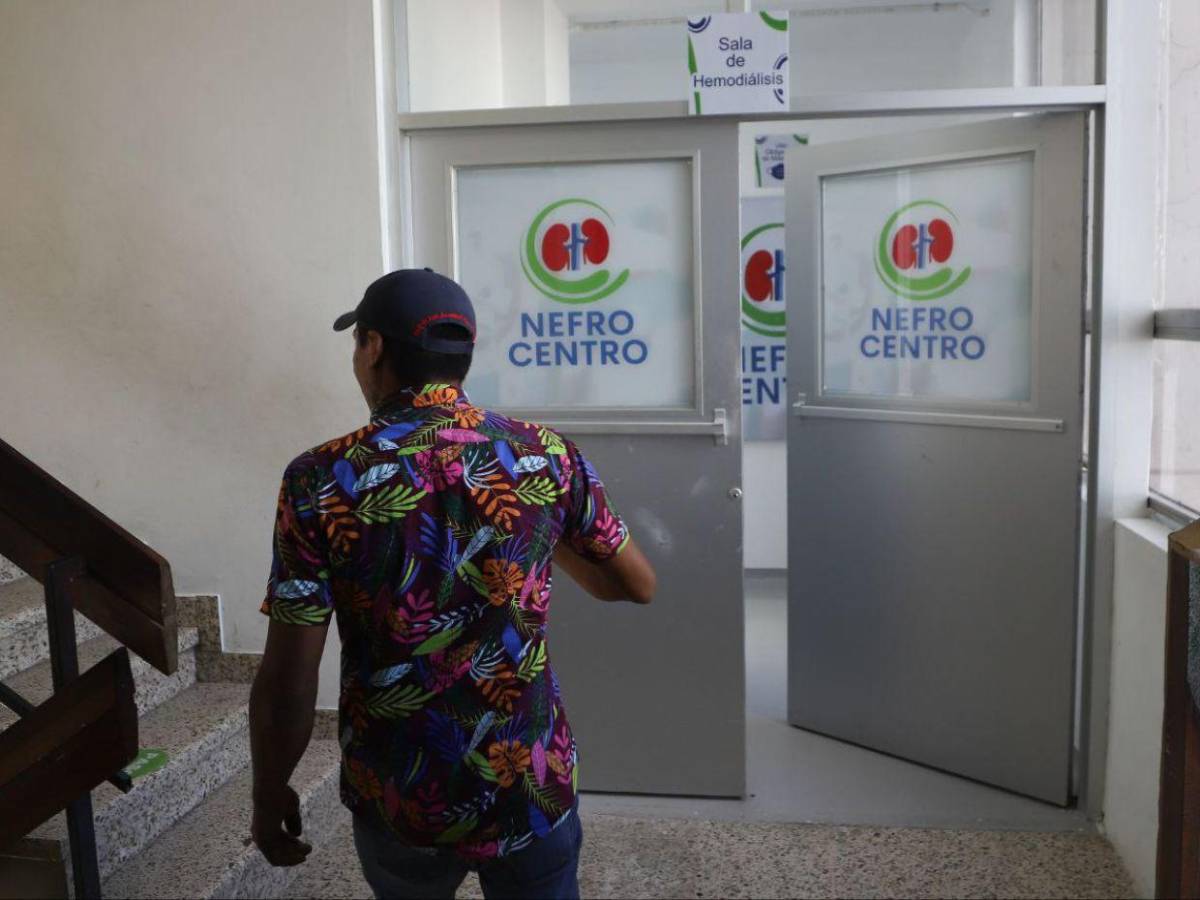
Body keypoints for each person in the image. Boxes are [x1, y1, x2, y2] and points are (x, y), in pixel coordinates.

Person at [248, 268, 657, 900]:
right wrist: (538, 541)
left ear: (375, 347)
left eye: (357, 344)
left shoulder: (320, 479)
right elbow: (636, 584)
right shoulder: (545, 456)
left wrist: (269, 788)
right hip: (528, 781)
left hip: (400, 792)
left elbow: (289, 677)